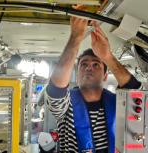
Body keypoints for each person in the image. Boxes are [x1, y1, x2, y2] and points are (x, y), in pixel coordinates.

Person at [46, 16, 141, 153]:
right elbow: (55, 91)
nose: (89, 67)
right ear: (77, 74)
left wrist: (108, 57)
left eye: (96, 64)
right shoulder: (66, 106)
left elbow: (137, 94)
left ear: (105, 75)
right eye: (83, 64)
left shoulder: (119, 104)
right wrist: (75, 38)